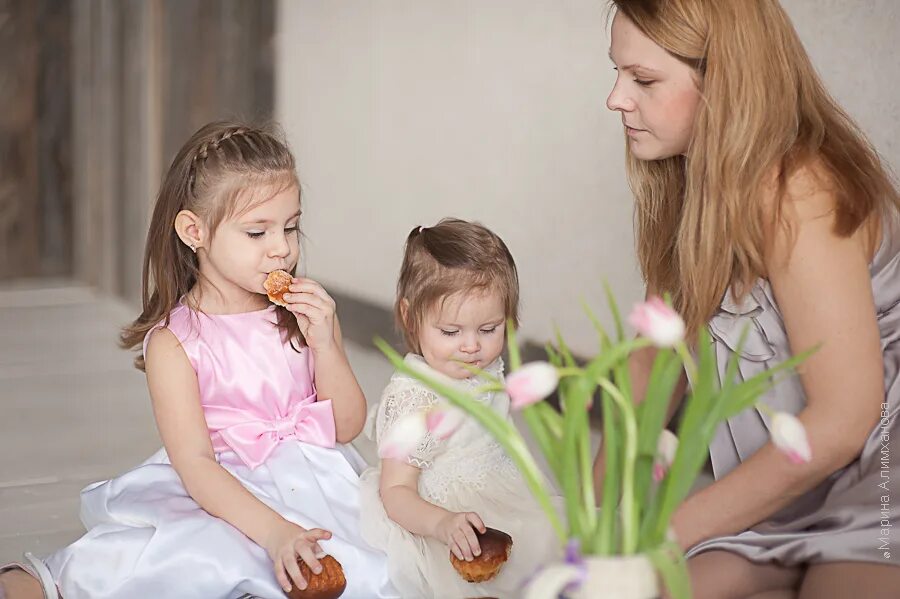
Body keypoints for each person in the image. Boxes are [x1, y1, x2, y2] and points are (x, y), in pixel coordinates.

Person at [0, 121, 397, 599]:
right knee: (184, 552)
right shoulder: (175, 342)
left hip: (316, 481)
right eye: (257, 231)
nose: (282, 249)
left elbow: (346, 426)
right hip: (219, 484)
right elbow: (196, 464)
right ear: (195, 231)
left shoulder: (302, 314)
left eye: (291, 227)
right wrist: (273, 531)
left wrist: (327, 344)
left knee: (368, 565)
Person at [596, 1, 900, 597]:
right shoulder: (691, 193)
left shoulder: (799, 190)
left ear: (724, 83)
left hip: (879, 470)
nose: (615, 99)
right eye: (617, 73)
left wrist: (666, 535)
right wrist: (590, 522)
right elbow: (654, 364)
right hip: (798, 474)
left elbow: (843, 422)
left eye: (644, 79)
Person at [358, 218, 561, 598]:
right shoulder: (416, 399)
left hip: (502, 493)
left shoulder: (487, 367)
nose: (471, 347)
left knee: (558, 550)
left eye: (489, 329)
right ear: (409, 317)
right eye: (450, 332)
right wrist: (442, 525)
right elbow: (396, 491)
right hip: (437, 513)